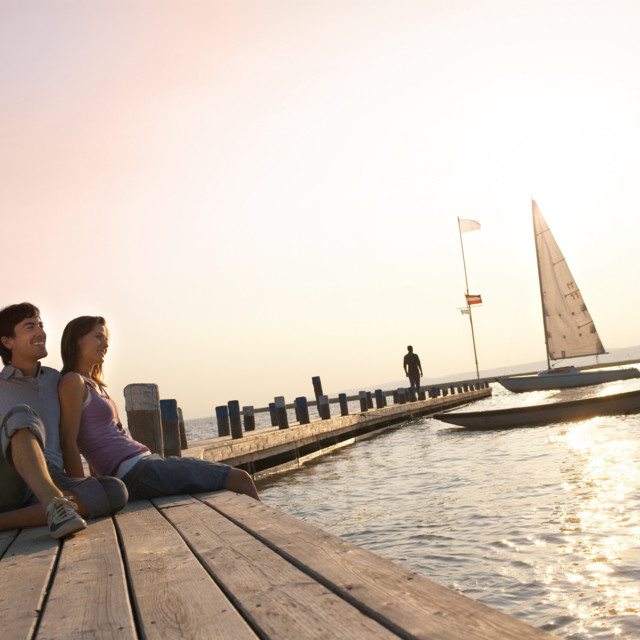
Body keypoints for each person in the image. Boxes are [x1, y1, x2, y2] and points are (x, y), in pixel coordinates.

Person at [58, 315, 260, 503]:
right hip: (135, 472)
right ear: (77, 340)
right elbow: (69, 442)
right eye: (98, 337)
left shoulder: (94, 384)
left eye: (106, 338)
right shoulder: (73, 382)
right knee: (239, 478)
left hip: (142, 465)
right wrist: (83, 494)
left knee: (232, 480)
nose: (106, 344)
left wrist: (100, 479)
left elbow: (97, 442)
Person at [0, 303, 128, 538]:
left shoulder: (57, 381)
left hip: (56, 478)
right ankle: (54, 503)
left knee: (115, 490)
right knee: (21, 414)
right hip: (13, 477)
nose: (41, 332)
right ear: (7, 341)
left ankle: (50, 507)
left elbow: (70, 438)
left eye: (41, 325)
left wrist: (80, 484)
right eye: (30, 327)